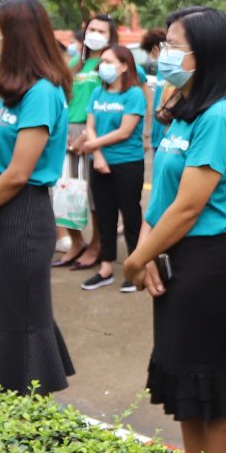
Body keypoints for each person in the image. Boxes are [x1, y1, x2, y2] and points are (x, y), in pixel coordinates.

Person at [122, 7, 226, 453]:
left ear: (206, 54)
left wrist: (135, 260)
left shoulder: (219, 117)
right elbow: (161, 196)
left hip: (208, 267)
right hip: (173, 258)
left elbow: (188, 206)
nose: (164, 53)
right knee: (187, 386)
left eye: (175, 45)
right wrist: (147, 250)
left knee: (213, 387)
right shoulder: (181, 112)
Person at [0, 0, 76, 394]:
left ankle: (26, 416)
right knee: (2, 313)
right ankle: (9, 410)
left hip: (24, 214)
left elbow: (18, 173)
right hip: (0, 209)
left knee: (20, 322)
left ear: (17, 36)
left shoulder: (42, 92)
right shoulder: (15, 91)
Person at [77, 43, 150, 292]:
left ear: (124, 66)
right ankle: (106, 268)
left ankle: (135, 266)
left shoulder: (134, 95)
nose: (103, 66)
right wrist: (97, 155)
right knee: (104, 216)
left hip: (127, 163)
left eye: (108, 62)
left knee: (131, 215)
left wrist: (92, 145)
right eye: (102, 62)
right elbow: (90, 126)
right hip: (99, 163)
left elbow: (125, 131)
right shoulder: (98, 92)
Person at [56, 13, 117, 269]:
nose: (95, 35)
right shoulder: (75, 63)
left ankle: (97, 244)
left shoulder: (110, 64)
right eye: (92, 29)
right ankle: (76, 241)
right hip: (67, 130)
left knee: (94, 194)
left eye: (101, 31)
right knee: (67, 191)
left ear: (111, 37)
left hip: (92, 131)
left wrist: (85, 136)